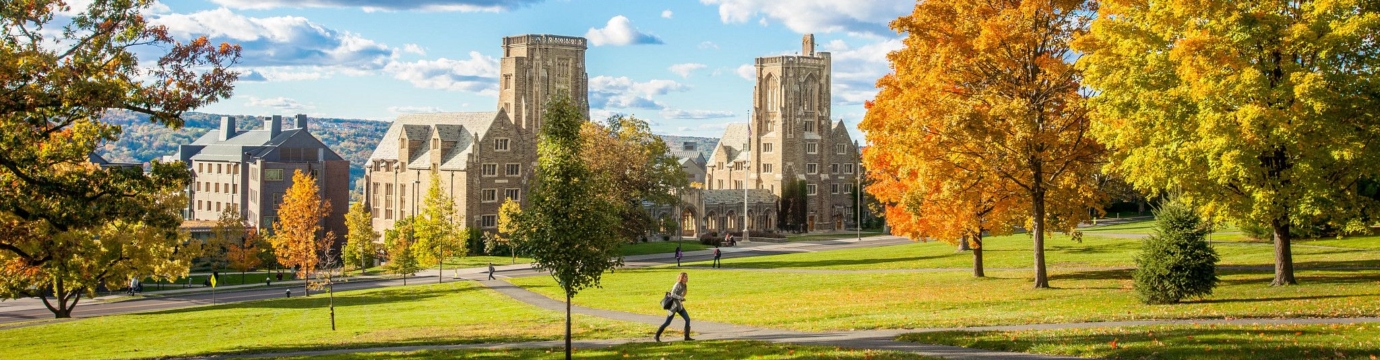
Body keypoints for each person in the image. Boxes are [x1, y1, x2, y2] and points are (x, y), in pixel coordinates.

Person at [655, 272, 693, 342]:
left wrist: (681, 299)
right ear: (681, 278)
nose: (686, 278)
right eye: (685, 277)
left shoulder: (684, 285)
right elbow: (672, 294)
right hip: (673, 306)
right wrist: (680, 298)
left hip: (679, 306)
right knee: (667, 322)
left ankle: (686, 336)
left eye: (687, 277)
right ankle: (657, 335)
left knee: (687, 319)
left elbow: (681, 294)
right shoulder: (678, 284)